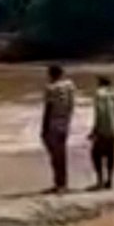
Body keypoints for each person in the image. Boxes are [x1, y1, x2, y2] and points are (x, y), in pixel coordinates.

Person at [42, 65, 75, 194]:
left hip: (53, 122)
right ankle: (63, 183)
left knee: (55, 155)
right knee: (62, 153)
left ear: (51, 74)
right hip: (65, 121)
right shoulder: (70, 86)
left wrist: (44, 127)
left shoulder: (50, 88)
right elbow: (71, 105)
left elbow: (48, 108)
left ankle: (59, 184)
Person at [89, 76, 114, 190]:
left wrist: (95, 130)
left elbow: (100, 113)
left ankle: (100, 180)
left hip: (103, 129)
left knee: (95, 154)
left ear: (101, 84)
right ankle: (110, 180)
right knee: (111, 155)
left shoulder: (99, 94)